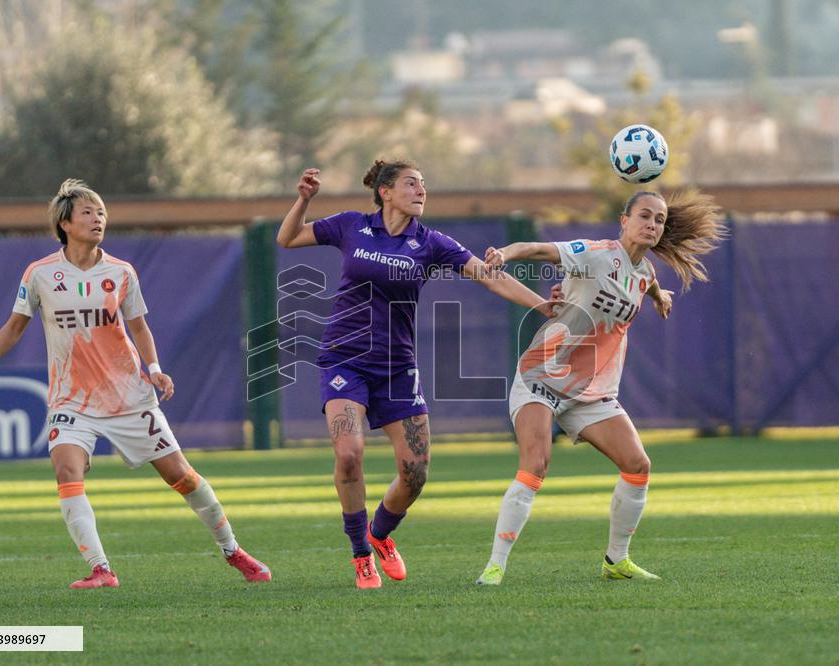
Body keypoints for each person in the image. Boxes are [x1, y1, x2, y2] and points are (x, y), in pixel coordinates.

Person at [0, 179, 271, 589]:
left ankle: (234, 551)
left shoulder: (121, 272)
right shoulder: (40, 274)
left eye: (102, 212)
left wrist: (155, 367)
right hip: (71, 400)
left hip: (129, 397)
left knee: (182, 476)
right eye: (88, 212)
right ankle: (101, 570)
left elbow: (139, 326)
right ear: (65, 222)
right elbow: (15, 326)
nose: (98, 218)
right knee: (67, 470)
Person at [277, 160, 559, 589]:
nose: (421, 190)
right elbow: (288, 237)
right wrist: (304, 200)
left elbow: (489, 276)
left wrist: (541, 306)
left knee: (416, 474)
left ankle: (380, 533)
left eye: (424, 184)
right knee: (349, 453)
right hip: (343, 359)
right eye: (411, 183)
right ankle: (360, 554)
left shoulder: (430, 243)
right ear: (385, 192)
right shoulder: (352, 226)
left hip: (397, 367)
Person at [475, 189, 727, 585]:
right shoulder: (594, 252)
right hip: (544, 374)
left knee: (638, 466)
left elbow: (646, 282)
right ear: (623, 220)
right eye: (644, 215)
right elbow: (540, 250)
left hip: (591, 390)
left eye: (659, 220)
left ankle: (616, 561)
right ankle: (495, 565)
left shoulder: (644, 273)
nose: (652, 224)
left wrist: (660, 298)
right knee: (536, 465)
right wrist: (506, 253)